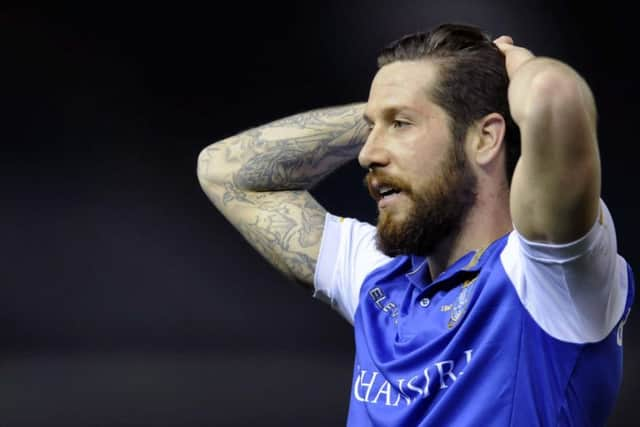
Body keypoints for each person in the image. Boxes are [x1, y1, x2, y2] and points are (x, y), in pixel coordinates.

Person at [197, 23, 634, 426]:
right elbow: (225, 171)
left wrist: (509, 68)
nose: (367, 154)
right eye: (373, 128)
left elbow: (552, 94)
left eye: (401, 125)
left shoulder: (550, 276)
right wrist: (389, 107)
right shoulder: (377, 276)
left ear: (484, 138)